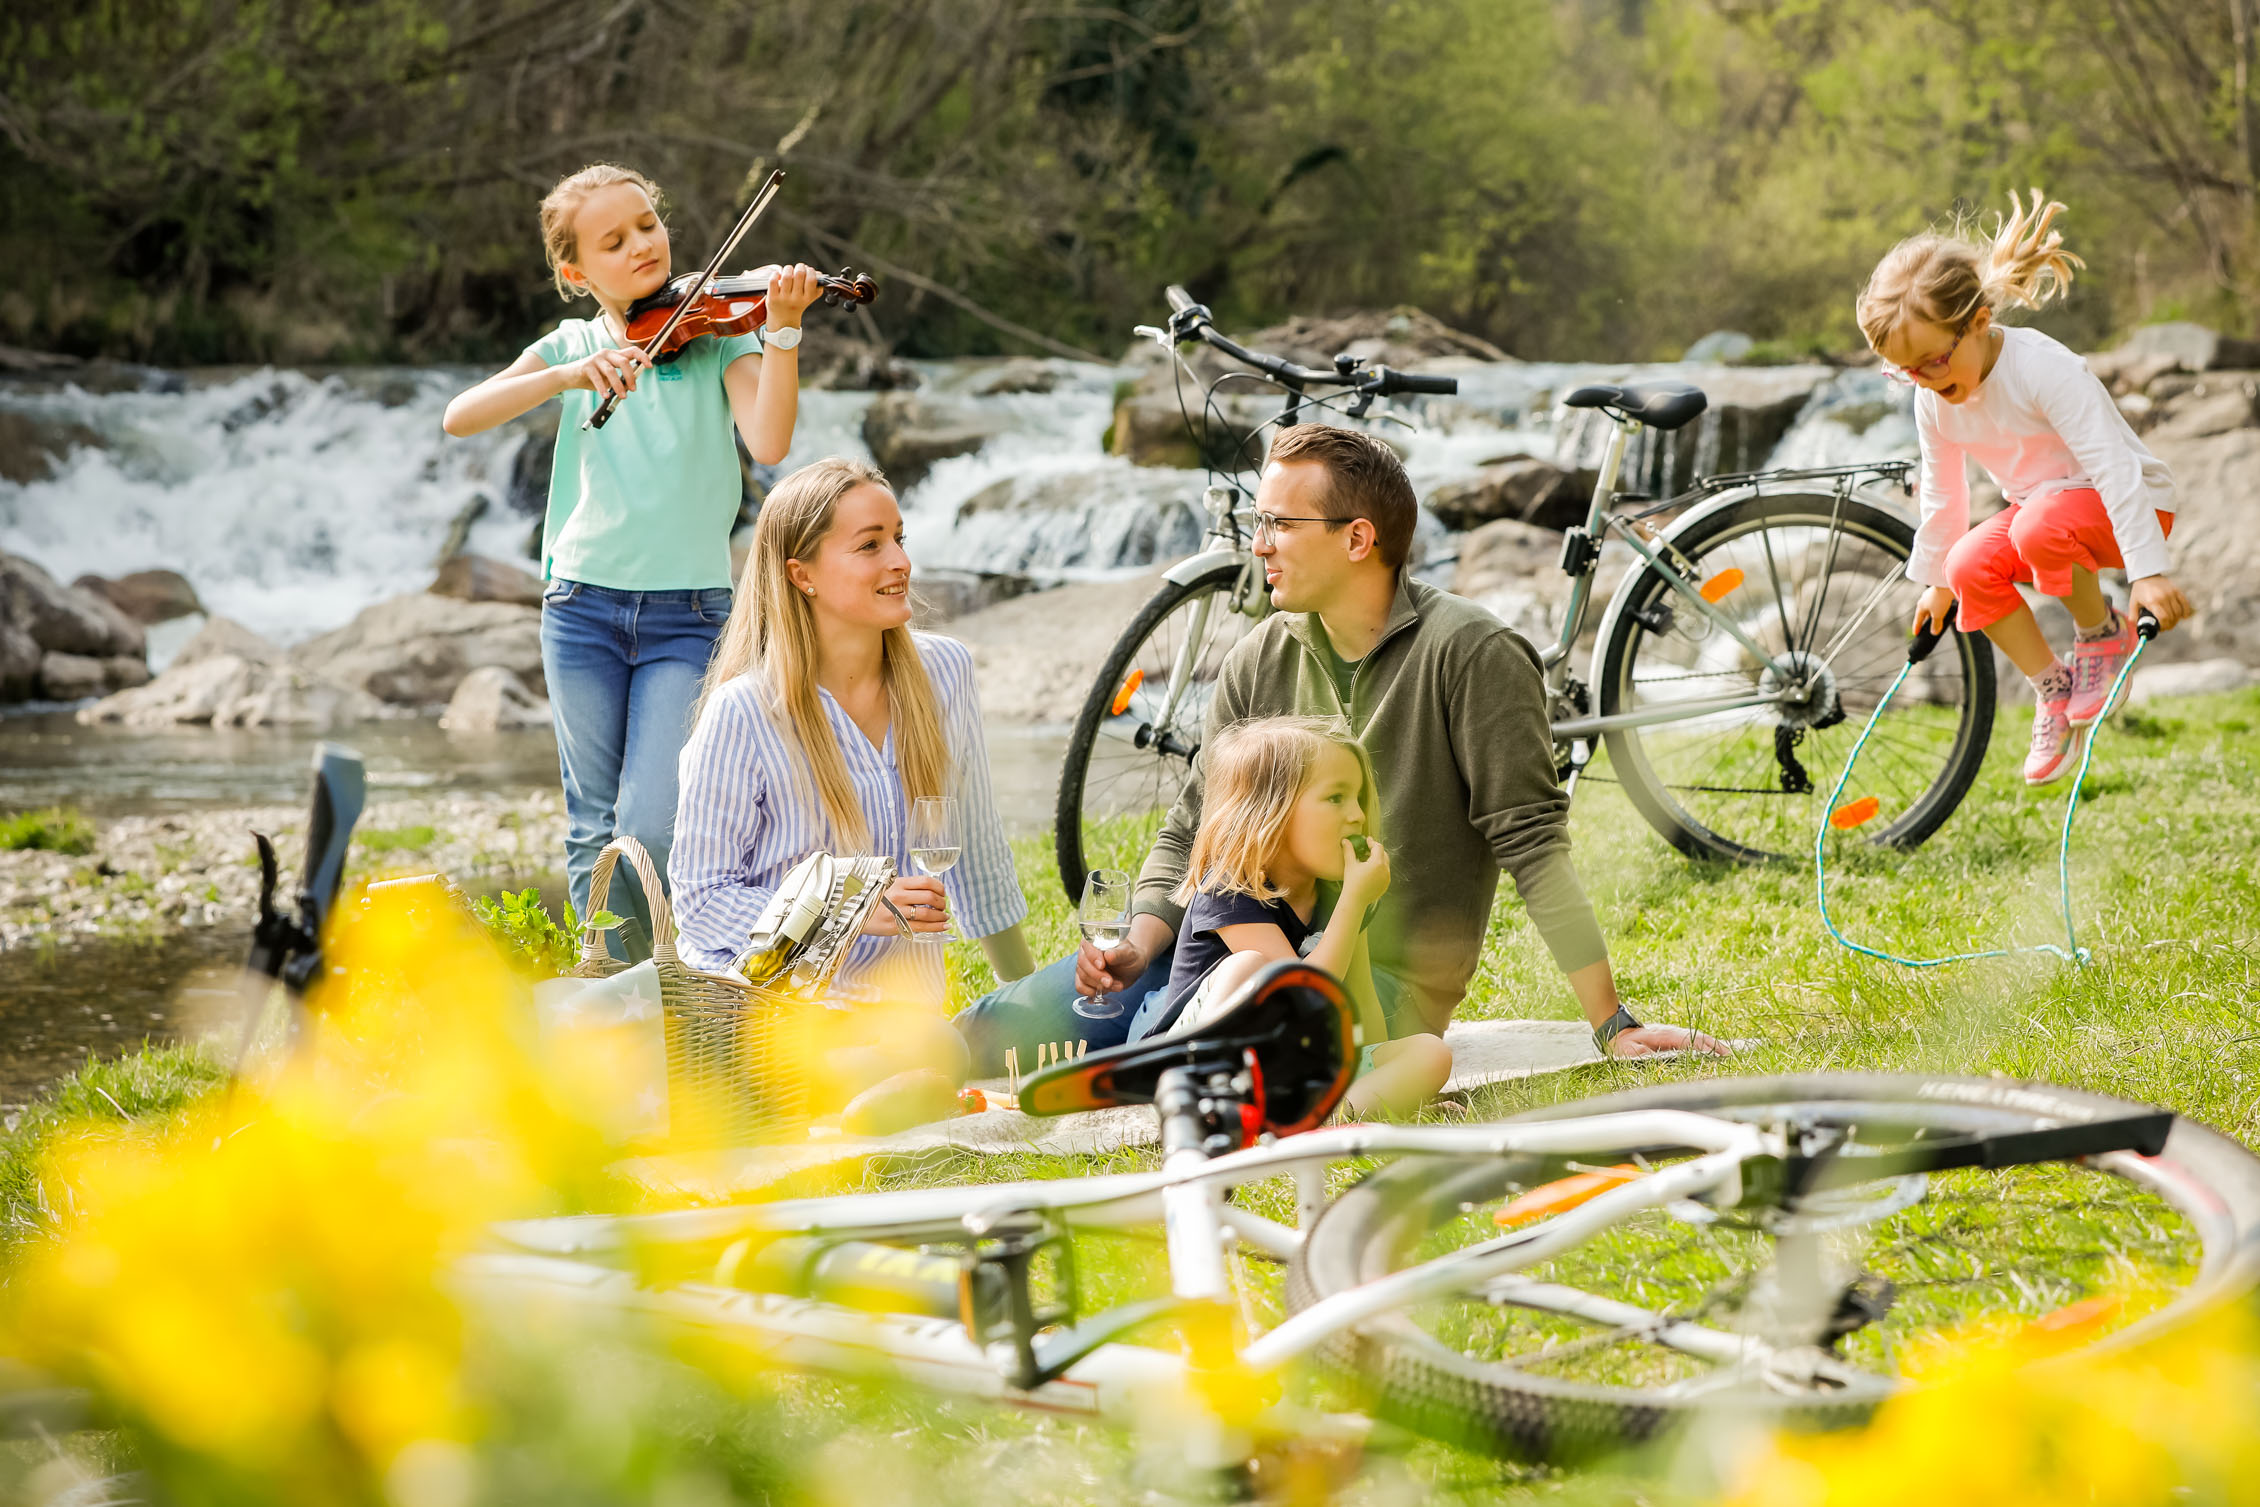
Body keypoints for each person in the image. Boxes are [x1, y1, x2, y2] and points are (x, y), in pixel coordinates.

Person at [957, 423, 1726, 1072]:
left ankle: (1153, 1065)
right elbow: (1194, 826)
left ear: (1358, 537)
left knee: (1176, 1045)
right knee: (983, 1033)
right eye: (1258, 523)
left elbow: (1532, 844)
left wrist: (1611, 1023)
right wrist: (1139, 943)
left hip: (1373, 989)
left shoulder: (1473, 653)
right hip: (1217, 954)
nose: (1258, 545)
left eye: (1279, 525)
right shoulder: (1261, 653)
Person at [441, 162, 824, 957]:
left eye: (646, 224)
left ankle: (666, 981)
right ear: (576, 272)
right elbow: (459, 417)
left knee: (651, 820)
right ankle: (605, 986)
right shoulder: (573, 347)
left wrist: (781, 330)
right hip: (580, 605)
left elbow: (772, 441)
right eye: (613, 241)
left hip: (688, 615)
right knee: (592, 821)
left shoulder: (717, 338)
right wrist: (563, 376)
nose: (641, 246)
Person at [670, 457, 1036, 1127]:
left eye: (900, 537)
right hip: (782, 1019)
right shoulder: (744, 713)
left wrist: (1027, 995)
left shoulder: (944, 672)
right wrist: (849, 907)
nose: (898, 560)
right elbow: (699, 905)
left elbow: (978, 855)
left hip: (905, 1020)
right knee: (936, 1049)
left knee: (1071, 1012)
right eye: (870, 545)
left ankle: (890, 1093)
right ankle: (827, 1099)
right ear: (800, 574)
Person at [1858, 189, 2193, 785]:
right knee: (1968, 566)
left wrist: (2148, 571)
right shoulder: (1933, 400)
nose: (1923, 382)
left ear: (1979, 324)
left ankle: (2100, 636)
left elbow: (2114, 467)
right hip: (2047, 518)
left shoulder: (2042, 368)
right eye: (1904, 372)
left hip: (2133, 510)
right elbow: (1943, 496)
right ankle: (2054, 688)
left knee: (2039, 525)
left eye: (1932, 362)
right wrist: (1935, 581)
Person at [1153, 716, 1451, 1118]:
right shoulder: (1228, 888)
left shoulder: (1340, 894)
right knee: (1249, 968)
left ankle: (1332, 1116)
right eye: (1336, 798)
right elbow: (1299, 996)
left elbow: (1362, 1012)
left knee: (1431, 1053)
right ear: (1270, 812)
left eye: (1359, 798)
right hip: (1200, 1056)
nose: (1358, 815)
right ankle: (1212, 1103)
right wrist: (1354, 901)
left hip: (1294, 1065)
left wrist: (1381, 1068)